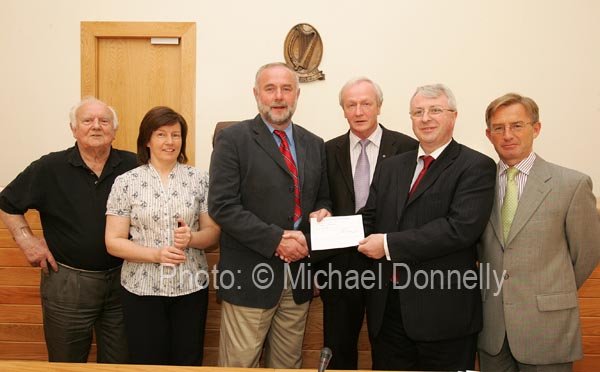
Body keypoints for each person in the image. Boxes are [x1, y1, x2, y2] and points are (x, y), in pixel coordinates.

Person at [357, 84, 496, 371]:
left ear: (453, 116)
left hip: (444, 317)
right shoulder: (392, 167)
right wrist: (323, 229)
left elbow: (459, 229)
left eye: (435, 110)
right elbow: (368, 218)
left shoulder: (476, 166)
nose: (426, 118)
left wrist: (387, 245)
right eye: (418, 112)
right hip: (389, 311)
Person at [208, 62, 332, 368]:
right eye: (270, 88)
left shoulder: (314, 144)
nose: (279, 96)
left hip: (298, 278)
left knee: (288, 365)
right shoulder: (232, 140)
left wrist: (323, 210)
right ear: (256, 94)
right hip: (249, 278)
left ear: (297, 95)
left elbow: (323, 197)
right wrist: (276, 240)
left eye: (286, 88)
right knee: (240, 364)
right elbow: (223, 206)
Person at [0, 97, 136, 363]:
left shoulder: (135, 166)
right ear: (74, 129)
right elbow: (7, 203)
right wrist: (27, 240)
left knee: (121, 363)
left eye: (104, 121)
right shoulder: (49, 168)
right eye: (87, 121)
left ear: (114, 130)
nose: (96, 126)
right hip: (67, 283)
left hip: (125, 281)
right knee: (66, 363)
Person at [477, 93, 600, 372]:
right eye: (499, 128)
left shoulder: (571, 184)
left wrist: (550, 291)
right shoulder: (476, 184)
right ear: (489, 134)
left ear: (536, 128)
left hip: (547, 327)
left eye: (517, 125)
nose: (507, 135)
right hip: (492, 328)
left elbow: (587, 254)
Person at [105, 106, 220, 366]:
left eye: (176, 135)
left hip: (190, 287)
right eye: (161, 134)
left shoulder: (200, 179)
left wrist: (192, 239)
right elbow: (113, 241)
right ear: (147, 139)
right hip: (141, 290)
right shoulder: (126, 181)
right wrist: (154, 254)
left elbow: (212, 234)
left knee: (188, 361)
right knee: (147, 362)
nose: (170, 142)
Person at [317, 77, 417, 369]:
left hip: (388, 268)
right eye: (351, 105)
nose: (359, 111)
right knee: (338, 350)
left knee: (388, 352)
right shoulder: (327, 150)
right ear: (343, 110)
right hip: (338, 267)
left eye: (366, 104)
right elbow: (321, 198)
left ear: (379, 107)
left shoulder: (408, 148)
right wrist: (321, 209)